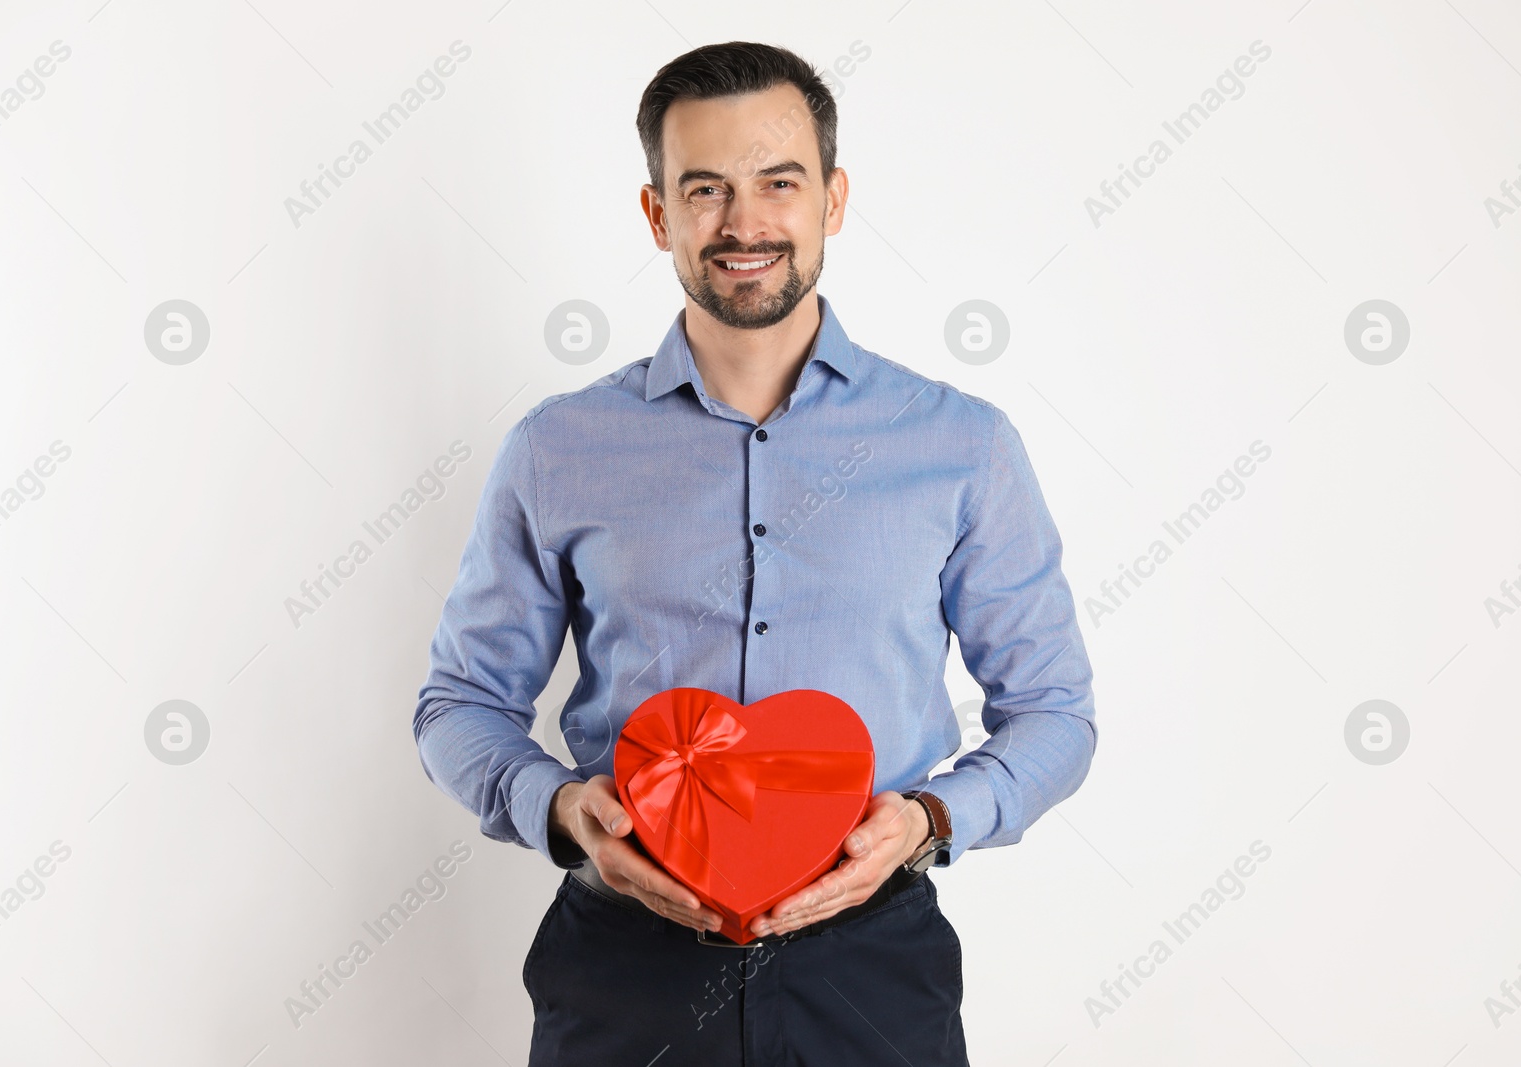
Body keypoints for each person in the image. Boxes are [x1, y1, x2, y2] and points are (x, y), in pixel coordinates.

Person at [413, 40, 1097, 1067]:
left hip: (875, 968)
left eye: (779, 183)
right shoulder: (556, 449)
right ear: (658, 215)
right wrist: (559, 808)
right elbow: (460, 700)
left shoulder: (962, 444)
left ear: (832, 199)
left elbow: (1054, 710)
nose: (744, 224)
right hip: (623, 964)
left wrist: (926, 819)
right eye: (705, 189)